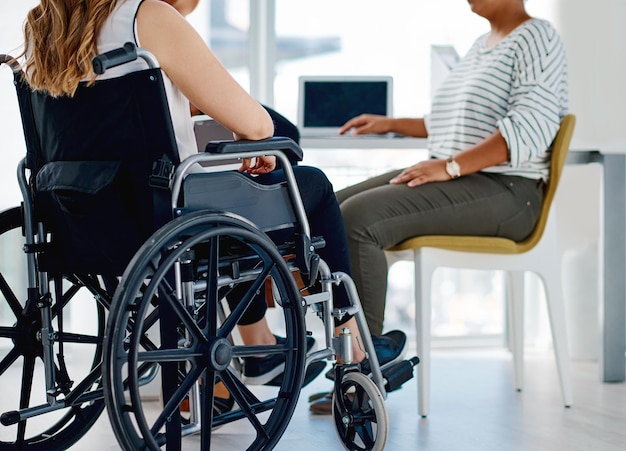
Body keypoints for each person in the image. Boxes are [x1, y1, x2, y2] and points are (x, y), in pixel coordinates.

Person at [20, 0, 407, 408]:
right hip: (165, 217)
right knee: (308, 186)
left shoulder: (40, 26)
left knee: (239, 192)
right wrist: (247, 141)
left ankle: (259, 347)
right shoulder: (146, 17)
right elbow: (259, 126)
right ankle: (355, 346)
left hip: (79, 222)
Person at [335, 0, 569, 336]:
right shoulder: (480, 46)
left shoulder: (537, 37)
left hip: (509, 192)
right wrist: (390, 123)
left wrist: (451, 165)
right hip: (465, 180)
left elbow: (528, 127)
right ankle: (302, 332)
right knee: (328, 209)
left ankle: (365, 366)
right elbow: (452, 121)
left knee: (358, 220)